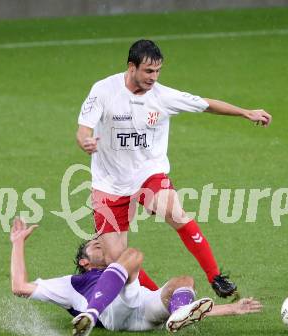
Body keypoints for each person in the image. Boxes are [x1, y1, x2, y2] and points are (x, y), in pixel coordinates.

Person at [76, 39, 272, 298]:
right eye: (148, 71)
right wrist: (86, 142)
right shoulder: (103, 90)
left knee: (174, 210)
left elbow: (206, 104)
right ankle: (158, 299)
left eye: (158, 71)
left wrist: (246, 112)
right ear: (131, 67)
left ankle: (215, 277)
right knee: (117, 259)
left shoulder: (162, 96)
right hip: (109, 183)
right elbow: (83, 129)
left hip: (149, 173)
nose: (153, 77)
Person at [10, 218, 262, 336]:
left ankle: (174, 318)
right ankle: (91, 314)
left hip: (143, 314)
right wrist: (18, 242)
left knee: (183, 281)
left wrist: (231, 309)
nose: (102, 244)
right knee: (132, 255)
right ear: (84, 263)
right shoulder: (73, 283)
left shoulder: (123, 269)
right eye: (96, 246)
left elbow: (187, 306)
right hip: (112, 314)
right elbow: (19, 286)